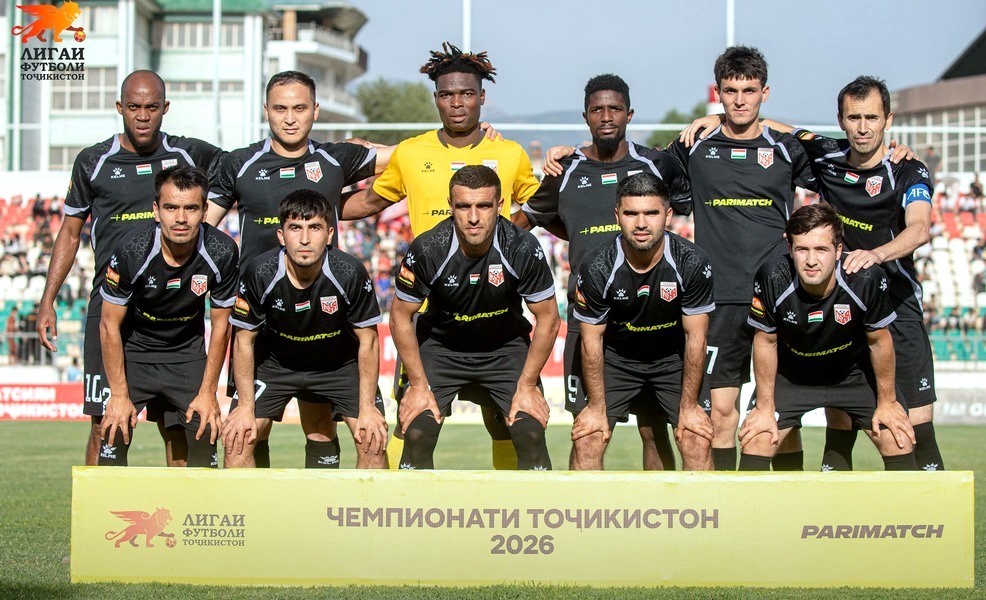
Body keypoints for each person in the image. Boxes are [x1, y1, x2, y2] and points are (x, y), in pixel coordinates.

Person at [343, 43, 540, 471]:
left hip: (497, 313)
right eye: (447, 94)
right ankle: (397, 505)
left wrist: (505, 233)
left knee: (506, 423)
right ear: (436, 98)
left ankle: (512, 506)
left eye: (467, 93)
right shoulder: (411, 153)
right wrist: (306, 202)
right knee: (412, 421)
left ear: (482, 97)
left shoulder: (509, 154)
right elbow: (367, 203)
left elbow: (539, 205)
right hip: (430, 317)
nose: (457, 102)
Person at [36, 70, 224, 467]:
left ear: (165, 108)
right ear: (120, 107)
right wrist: (48, 299)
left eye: (152, 107)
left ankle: (182, 502)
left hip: (174, 309)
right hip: (111, 308)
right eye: (134, 107)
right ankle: (97, 507)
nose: (142, 116)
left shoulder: (191, 154)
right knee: (104, 423)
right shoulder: (93, 161)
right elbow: (69, 233)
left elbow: (248, 174)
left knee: (179, 426)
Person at [758, 76, 944, 471]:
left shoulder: (908, 170)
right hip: (841, 307)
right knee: (839, 418)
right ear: (841, 120)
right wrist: (715, 119)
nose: (862, 127)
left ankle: (933, 509)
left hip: (897, 305)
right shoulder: (826, 156)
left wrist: (876, 255)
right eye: (854, 117)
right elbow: (776, 126)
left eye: (871, 117)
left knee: (914, 426)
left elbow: (919, 229)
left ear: (887, 120)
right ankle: (831, 505)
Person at [207, 70, 386, 469]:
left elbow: (411, 157)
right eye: (280, 108)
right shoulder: (239, 163)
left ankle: (329, 507)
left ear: (315, 111)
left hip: (328, 323)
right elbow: (203, 232)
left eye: (300, 108)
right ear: (266, 111)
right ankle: (255, 507)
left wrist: (467, 139)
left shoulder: (335, 158)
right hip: (265, 325)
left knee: (322, 427)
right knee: (243, 435)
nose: (290, 118)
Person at [515, 74, 691, 470]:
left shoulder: (656, 164)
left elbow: (694, 202)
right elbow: (526, 220)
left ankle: (659, 509)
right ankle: (583, 511)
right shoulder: (565, 169)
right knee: (588, 428)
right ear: (586, 116)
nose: (606, 116)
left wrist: (713, 120)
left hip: (653, 318)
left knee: (654, 428)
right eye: (597, 109)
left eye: (615, 108)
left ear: (629, 113)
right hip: (589, 318)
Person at [390, 165, 558, 470]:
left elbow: (548, 318)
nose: (473, 217)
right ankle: (407, 501)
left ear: (499, 205)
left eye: (483, 206)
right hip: (441, 348)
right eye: (463, 206)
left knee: (531, 433)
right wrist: (417, 385)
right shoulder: (428, 248)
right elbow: (400, 317)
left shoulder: (522, 246)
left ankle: (530, 502)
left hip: (505, 348)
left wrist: (527, 385)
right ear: (451, 205)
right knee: (416, 431)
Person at [740, 203, 916, 470]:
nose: (811, 260)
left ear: (838, 251)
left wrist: (888, 403)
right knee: (756, 440)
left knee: (897, 438)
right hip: (793, 376)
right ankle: (783, 498)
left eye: (821, 249)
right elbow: (765, 341)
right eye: (802, 249)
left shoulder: (866, 278)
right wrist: (764, 408)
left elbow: (879, 341)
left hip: (852, 374)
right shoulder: (772, 276)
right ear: (790, 249)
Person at [221, 190, 387, 469]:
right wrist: (246, 407)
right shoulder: (259, 272)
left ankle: (349, 499)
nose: (305, 239)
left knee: (373, 441)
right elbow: (243, 342)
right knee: (237, 440)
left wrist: (368, 408)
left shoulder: (350, 272)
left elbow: (369, 342)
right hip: (276, 364)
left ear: (330, 234)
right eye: (295, 228)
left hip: (339, 365)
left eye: (315, 228)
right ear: (281, 235)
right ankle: (253, 500)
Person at [572, 173, 714, 470]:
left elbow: (696, 337)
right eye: (630, 214)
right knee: (588, 437)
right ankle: (585, 503)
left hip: (672, 358)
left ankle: (693, 503)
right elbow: (591, 339)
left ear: (668, 215)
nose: (640, 223)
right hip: (615, 359)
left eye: (651, 213)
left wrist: (689, 407)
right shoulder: (597, 265)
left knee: (695, 438)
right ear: (617, 216)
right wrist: (596, 408)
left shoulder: (691, 261)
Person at [97, 166, 237, 467]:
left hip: (186, 353)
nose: (181, 218)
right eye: (171, 207)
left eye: (191, 208)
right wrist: (119, 395)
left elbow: (221, 326)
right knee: (112, 431)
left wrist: (208, 391)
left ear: (205, 211)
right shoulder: (131, 250)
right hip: (135, 350)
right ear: (156, 211)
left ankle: (200, 500)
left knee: (205, 431)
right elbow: (109, 324)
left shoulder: (222, 251)